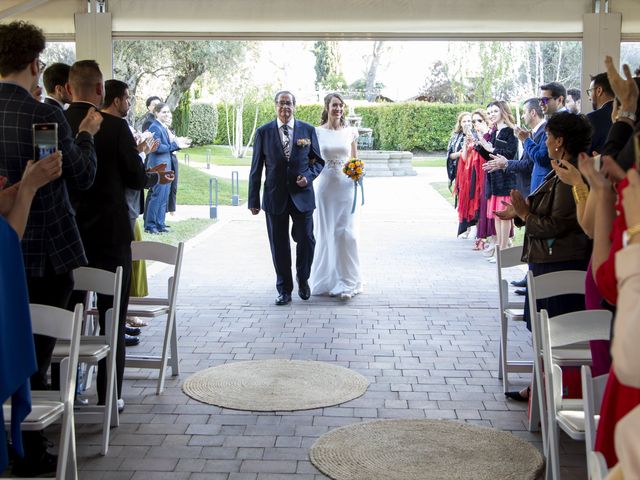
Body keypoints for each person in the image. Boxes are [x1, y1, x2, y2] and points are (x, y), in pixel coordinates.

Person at [0, 20, 102, 477]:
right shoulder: (45, 114)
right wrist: (86, 135)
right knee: (34, 355)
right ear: (34, 63)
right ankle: (28, 445)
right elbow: (78, 174)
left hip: (4, 244)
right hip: (45, 250)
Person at [64, 60, 148, 409]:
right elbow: (137, 179)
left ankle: (62, 393)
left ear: (68, 90)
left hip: (67, 237)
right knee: (113, 316)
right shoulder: (115, 128)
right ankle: (108, 396)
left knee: (65, 319)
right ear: (100, 90)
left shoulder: (53, 122)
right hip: (110, 238)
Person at [496, 112, 592, 402]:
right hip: (551, 261)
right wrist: (522, 211)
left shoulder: (568, 177)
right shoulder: (562, 169)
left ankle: (550, 391)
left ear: (560, 141)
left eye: (548, 136)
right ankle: (540, 387)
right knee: (543, 332)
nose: (545, 141)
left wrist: (524, 213)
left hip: (558, 264)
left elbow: (559, 224)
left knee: (552, 332)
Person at [248, 90, 325, 305]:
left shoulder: (307, 130)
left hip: (302, 196)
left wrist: (308, 178)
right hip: (275, 197)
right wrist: (253, 200)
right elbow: (256, 168)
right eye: (281, 103)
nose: (285, 107)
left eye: (289, 103)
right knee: (279, 244)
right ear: (275, 106)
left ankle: (303, 278)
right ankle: (284, 289)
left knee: (307, 240)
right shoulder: (263, 132)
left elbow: (318, 161)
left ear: (294, 106)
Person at [309, 93, 362, 300]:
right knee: (327, 232)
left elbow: (354, 159)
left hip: (346, 187)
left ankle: (347, 282)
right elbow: (312, 160)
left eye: (340, 105)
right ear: (327, 107)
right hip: (325, 187)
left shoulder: (350, 132)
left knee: (346, 233)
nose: (338, 109)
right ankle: (328, 279)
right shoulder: (317, 132)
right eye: (334, 105)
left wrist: (358, 171)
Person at [477, 101, 518, 258]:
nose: (492, 114)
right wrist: (479, 145)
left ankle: (503, 252)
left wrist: (490, 148)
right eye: (490, 112)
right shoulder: (495, 132)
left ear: (502, 111)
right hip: (494, 179)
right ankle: (498, 250)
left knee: (504, 216)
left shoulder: (510, 131)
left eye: (495, 111)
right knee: (497, 217)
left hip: (506, 179)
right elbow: (489, 155)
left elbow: (510, 153)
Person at [144, 102, 189, 234]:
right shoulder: (155, 127)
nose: (167, 114)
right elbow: (156, 147)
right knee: (157, 195)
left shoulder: (163, 127)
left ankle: (160, 223)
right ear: (156, 113)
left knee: (164, 195)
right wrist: (175, 145)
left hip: (166, 165)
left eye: (168, 112)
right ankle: (150, 225)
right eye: (163, 112)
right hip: (158, 166)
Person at [586, 72, 614, 154]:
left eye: (590, 92)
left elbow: (583, 156)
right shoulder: (627, 114)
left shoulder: (593, 118)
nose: (589, 98)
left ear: (599, 91)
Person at [446, 112, 472, 194]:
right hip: (459, 170)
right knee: (461, 193)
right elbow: (449, 155)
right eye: (464, 121)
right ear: (460, 123)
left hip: (473, 169)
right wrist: (460, 153)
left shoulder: (477, 134)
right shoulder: (455, 136)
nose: (467, 123)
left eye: (469, 121)